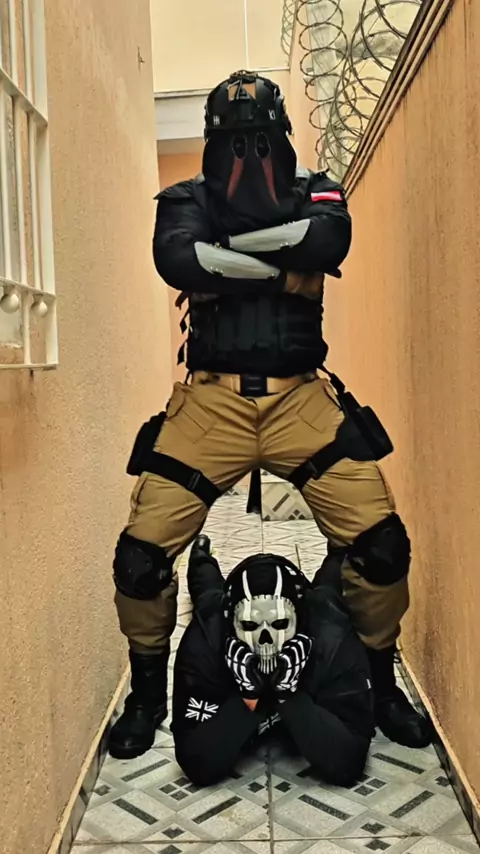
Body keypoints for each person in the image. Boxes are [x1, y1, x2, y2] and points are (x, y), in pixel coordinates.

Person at [108, 70, 431, 761]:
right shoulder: (185, 199)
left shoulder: (319, 190)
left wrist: (228, 254)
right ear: (211, 140)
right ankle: (146, 694)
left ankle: (379, 684)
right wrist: (282, 267)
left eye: (259, 140)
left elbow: (326, 244)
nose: (247, 154)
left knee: (382, 546)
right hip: (211, 404)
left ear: (281, 135)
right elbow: (178, 258)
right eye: (234, 141)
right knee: (139, 558)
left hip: (301, 400)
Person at [172, 536, 374, 787]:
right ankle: (202, 555)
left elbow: (349, 762)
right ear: (231, 626)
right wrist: (247, 698)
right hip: (217, 607)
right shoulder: (207, 638)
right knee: (208, 592)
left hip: (318, 603)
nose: (265, 640)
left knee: (328, 588)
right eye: (249, 625)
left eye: (280, 623)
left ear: (300, 622)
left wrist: (289, 695)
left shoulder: (331, 635)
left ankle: (337, 551)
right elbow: (196, 764)